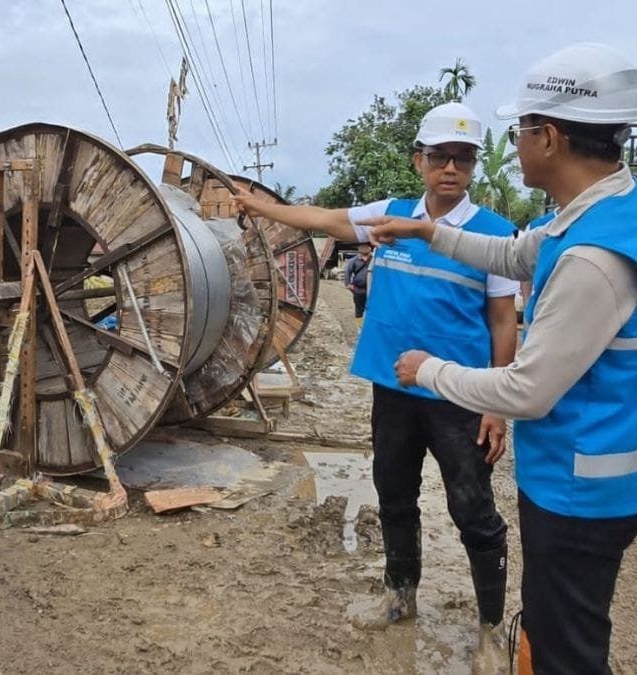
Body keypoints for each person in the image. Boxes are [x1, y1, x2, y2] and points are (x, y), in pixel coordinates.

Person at [363, 43, 637, 674]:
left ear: (550, 137)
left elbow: (528, 391)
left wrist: (428, 371)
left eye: (520, 131)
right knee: (564, 626)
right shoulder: (622, 207)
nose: (514, 145)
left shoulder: (594, 258)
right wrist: (431, 232)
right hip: (617, 458)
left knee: (564, 646)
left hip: (585, 482)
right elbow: (516, 255)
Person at [232, 102, 521, 672]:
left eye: (463, 158)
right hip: (394, 391)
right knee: (394, 494)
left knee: (473, 511)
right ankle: (399, 595)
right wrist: (262, 206)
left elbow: (502, 321)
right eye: (440, 156)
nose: (451, 168)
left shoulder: (492, 235)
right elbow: (323, 219)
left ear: (473, 166)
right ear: (419, 161)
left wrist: (497, 405)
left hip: (461, 397)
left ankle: (490, 628)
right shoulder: (388, 215)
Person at [343, 243, 372, 326]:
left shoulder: (374, 259)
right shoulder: (354, 260)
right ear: (359, 248)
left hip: (372, 289)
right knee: (359, 309)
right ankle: (360, 327)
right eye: (362, 246)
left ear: (370, 248)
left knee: (372, 308)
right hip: (358, 288)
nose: (364, 248)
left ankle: (369, 326)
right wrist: (348, 284)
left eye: (366, 246)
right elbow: (348, 272)